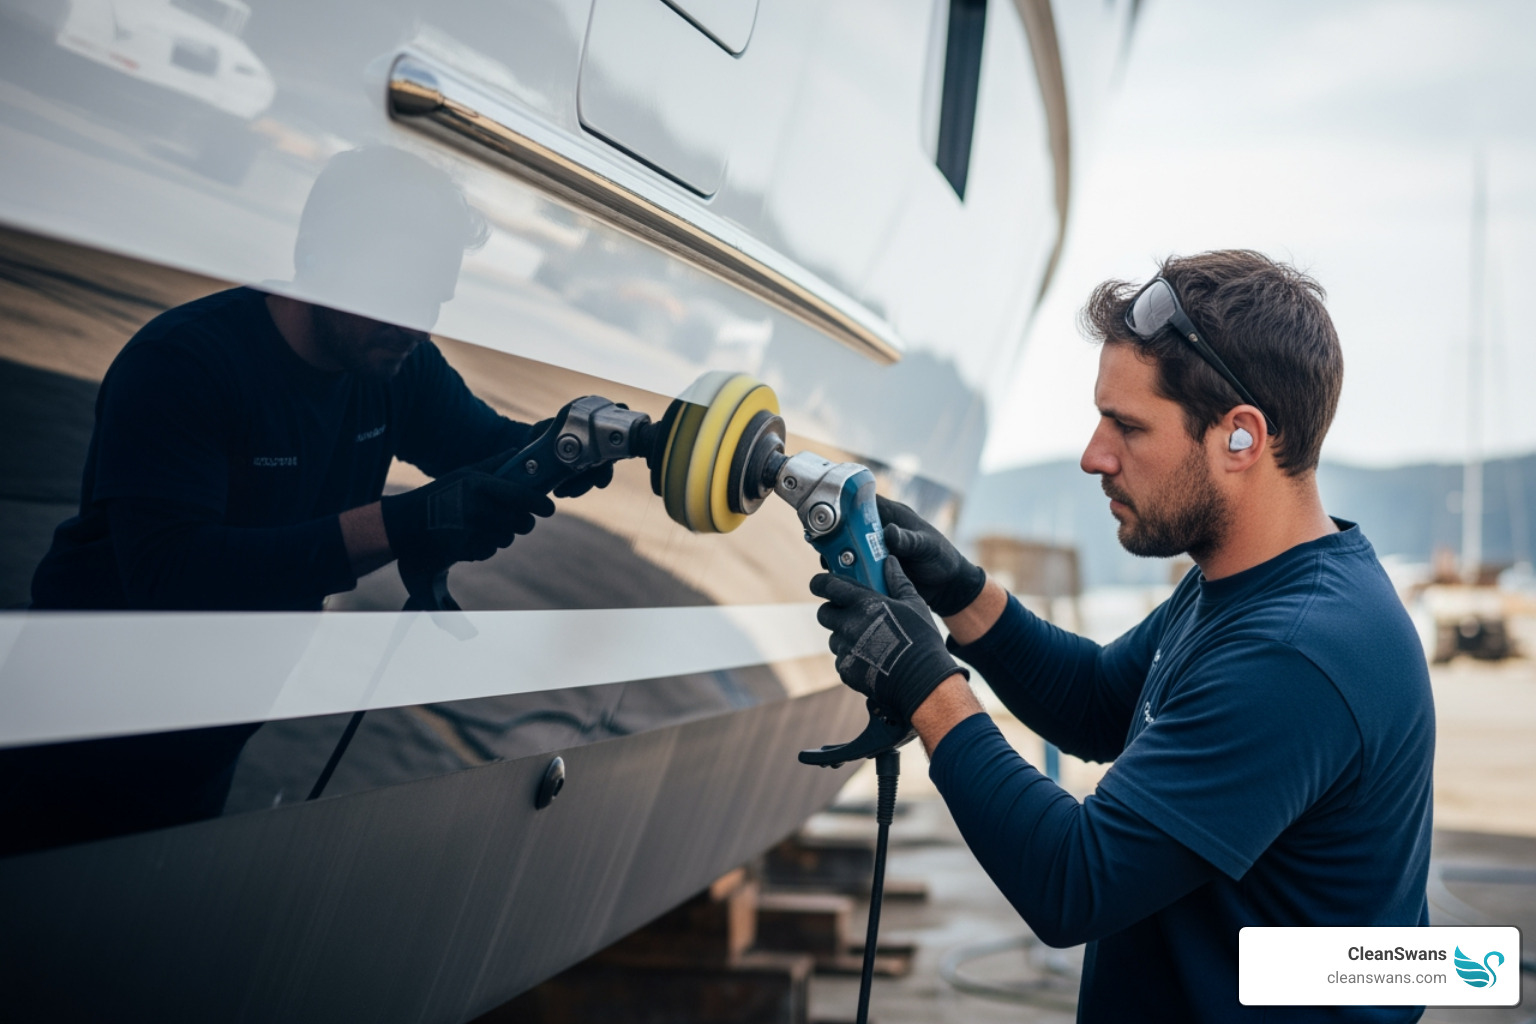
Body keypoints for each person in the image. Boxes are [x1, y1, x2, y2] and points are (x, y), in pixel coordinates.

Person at [812, 250, 1434, 1022]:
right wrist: (960, 594)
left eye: (1127, 426)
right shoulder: (1242, 583)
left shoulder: (1295, 652)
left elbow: (1075, 882)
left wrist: (926, 687)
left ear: (1241, 438)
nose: (1093, 455)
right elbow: (1105, 701)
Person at [8, 147, 606, 851]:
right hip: (68, 738)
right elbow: (172, 575)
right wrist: (405, 522)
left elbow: (488, 450)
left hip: (203, 752)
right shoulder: (188, 363)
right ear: (314, 252)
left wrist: (591, 443)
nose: (414, 324)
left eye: (433, 301)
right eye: (394, 292)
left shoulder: (393, 361)